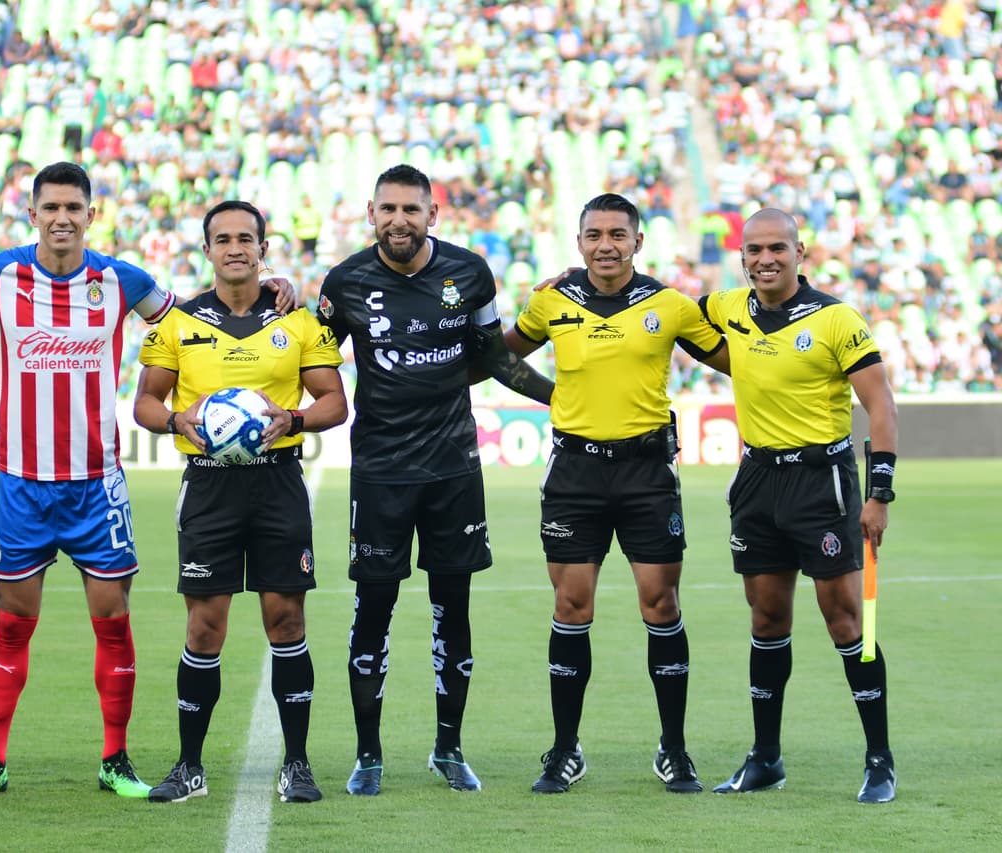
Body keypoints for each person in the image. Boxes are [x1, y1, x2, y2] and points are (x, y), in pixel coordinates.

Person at [0, 163, 295, 801]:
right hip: (21, 482)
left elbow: (195, 319)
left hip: (95, 483)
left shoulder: (119, 279)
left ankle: (115, 759)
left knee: (112, 619)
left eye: (73, 207)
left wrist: (273, 288)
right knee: (14, 622)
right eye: (50, 207)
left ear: (90, 213)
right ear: (32, 213)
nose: (61, 218)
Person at [316, 164, 554, 795]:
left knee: (454, 610)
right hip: (381, 472)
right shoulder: (344, 282)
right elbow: (311, 358)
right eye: (388, 209)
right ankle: (368, 756)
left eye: (411, 210)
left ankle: (449, 749)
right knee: (374, 610)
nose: (400, 220)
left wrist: (563, 400)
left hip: (453, 469)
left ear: (431, 215)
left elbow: (495, 360)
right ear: (372, 215)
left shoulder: (470, 272)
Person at [504, 193, 729, 794]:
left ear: (637, 241)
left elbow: (738, 360)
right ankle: (564, 750)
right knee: (572, 607)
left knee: (661, 605)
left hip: (648, 473)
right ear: (579, 242)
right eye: (594, 234)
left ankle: (675, 750)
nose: (606, 244)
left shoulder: (671, 306)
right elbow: (502, 357)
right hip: (576, 474)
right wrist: (555, 397)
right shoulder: (552, 300)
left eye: (617, 234)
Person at [134, 200, 347, 804]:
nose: (234, 248)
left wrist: (294, 418)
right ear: (206, 250)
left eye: (245, 238)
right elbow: (145, 403)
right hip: (209, 485)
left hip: (277, 482)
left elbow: (335, 401)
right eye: (222, 239)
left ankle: (297, 764)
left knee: (287, 621)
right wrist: (178, 417)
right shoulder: (177, 323)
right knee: (205, 626)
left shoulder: (298, 320)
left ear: (263, 248)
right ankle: (189, 766)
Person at [699, 208, 899, 803]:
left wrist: (879, 493)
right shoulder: (729, 308)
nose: (765, 259)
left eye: (777, 249)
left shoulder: (836, 319)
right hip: (757, 481)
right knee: (766, 620)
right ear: (742, 255)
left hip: (822, 482)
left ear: (799, 251)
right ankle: (765, 759)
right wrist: (575, 281)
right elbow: (662, 311)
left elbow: (881, 405)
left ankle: (880, 760)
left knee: (844, 619)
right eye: (754, 249)